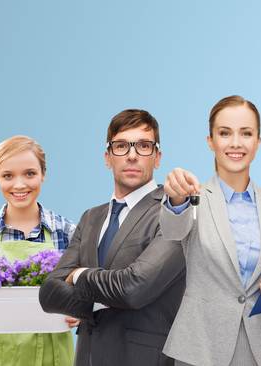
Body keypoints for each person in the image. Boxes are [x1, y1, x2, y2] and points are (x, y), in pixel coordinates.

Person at [159, 95, 261, 366]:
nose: (235, 143)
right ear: (210, 141)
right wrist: (176, 199)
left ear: (258, 141)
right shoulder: (192, 196)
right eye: (225, 133)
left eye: (246, 133)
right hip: (200, 351)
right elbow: (172, 231)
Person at [39, 109, 187, 365]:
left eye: (143, 146)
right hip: (88, 356)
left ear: (157, 157)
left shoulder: (175, 214)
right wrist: (96, 304)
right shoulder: (90, 218)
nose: (131, 155)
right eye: (121, 146)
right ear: (107, 157)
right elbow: (50, 292)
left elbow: (134, 288)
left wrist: (80, 275)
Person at [0, 136, 77, 365]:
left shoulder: (65, 231)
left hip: (53, 356)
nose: (20, 185)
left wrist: (79, 310)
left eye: (30, 173)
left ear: (44, 174)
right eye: (8, 176)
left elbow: (85, 292)